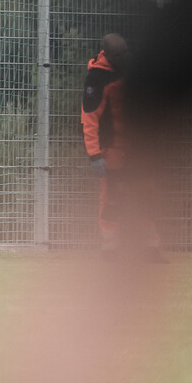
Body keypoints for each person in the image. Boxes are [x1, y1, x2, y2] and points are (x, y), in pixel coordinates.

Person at [80, 33, 163, 261]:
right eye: (120, 54)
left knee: (146, 195)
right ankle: (110, 248)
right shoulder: (96, 79)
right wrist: (95, 155)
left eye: (126, 52)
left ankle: (151, 248)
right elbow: (89, 119)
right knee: (111, 199)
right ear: (107, 54)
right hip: (113, 151)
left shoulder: (129, 71)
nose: (125, 57)